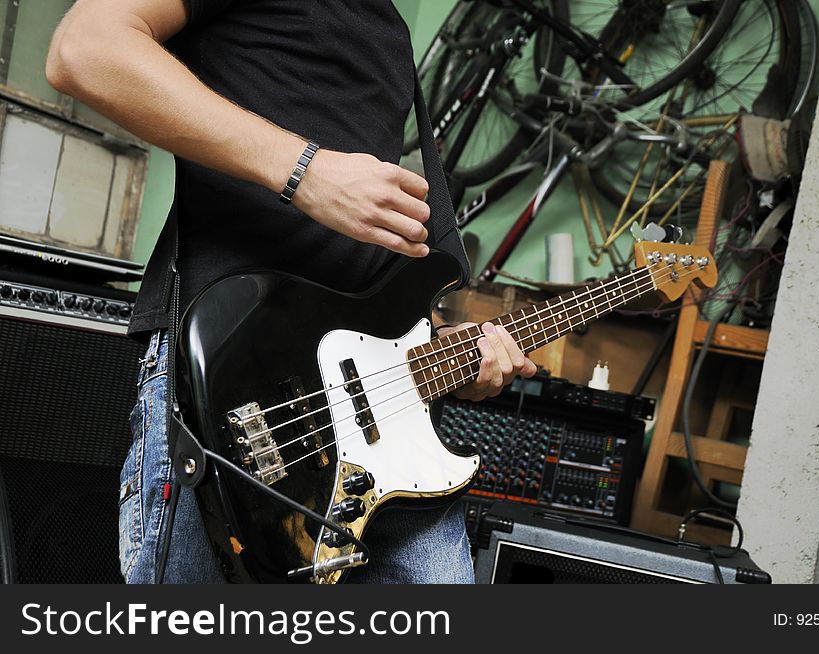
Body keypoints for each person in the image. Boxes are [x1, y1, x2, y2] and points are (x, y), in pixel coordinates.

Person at [46, 0, 536, 584]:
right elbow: (85, 49)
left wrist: (440, 352)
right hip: (229, 381)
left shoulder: (388, 28)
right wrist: (305, 170)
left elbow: (362, 298)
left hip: (365, 434)